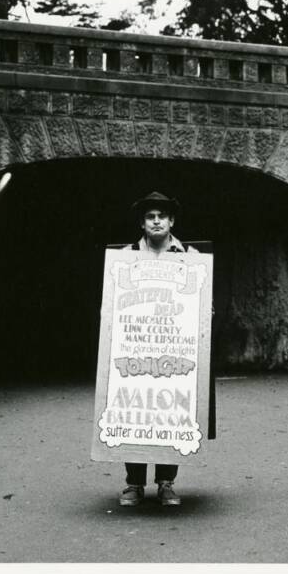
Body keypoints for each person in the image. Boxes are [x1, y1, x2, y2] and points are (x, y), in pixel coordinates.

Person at [119, 191, 199, 507]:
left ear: (171, 221)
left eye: (161, 216)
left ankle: (166, 482)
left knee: (171, 412)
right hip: (137, 347)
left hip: (174, 346)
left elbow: (201, 298)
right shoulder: (125, 256)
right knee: (134, 412)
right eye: (150, 217)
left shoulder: (189, 254)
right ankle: (134, 484)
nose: (156, 221)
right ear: (142, 223)